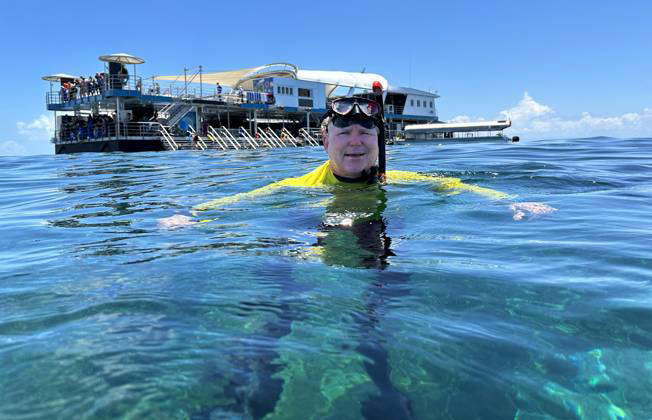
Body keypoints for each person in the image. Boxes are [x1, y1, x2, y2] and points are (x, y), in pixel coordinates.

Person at [159, 95, 554, 229]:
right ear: (324, 140)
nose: (355, 142)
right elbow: (250, 198)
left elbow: (452, 186)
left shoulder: (398, 178)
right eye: (344, 132)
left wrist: (505, 201)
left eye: (365, 132)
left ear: (381, 142)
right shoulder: (302, 187)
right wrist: (194, 214)